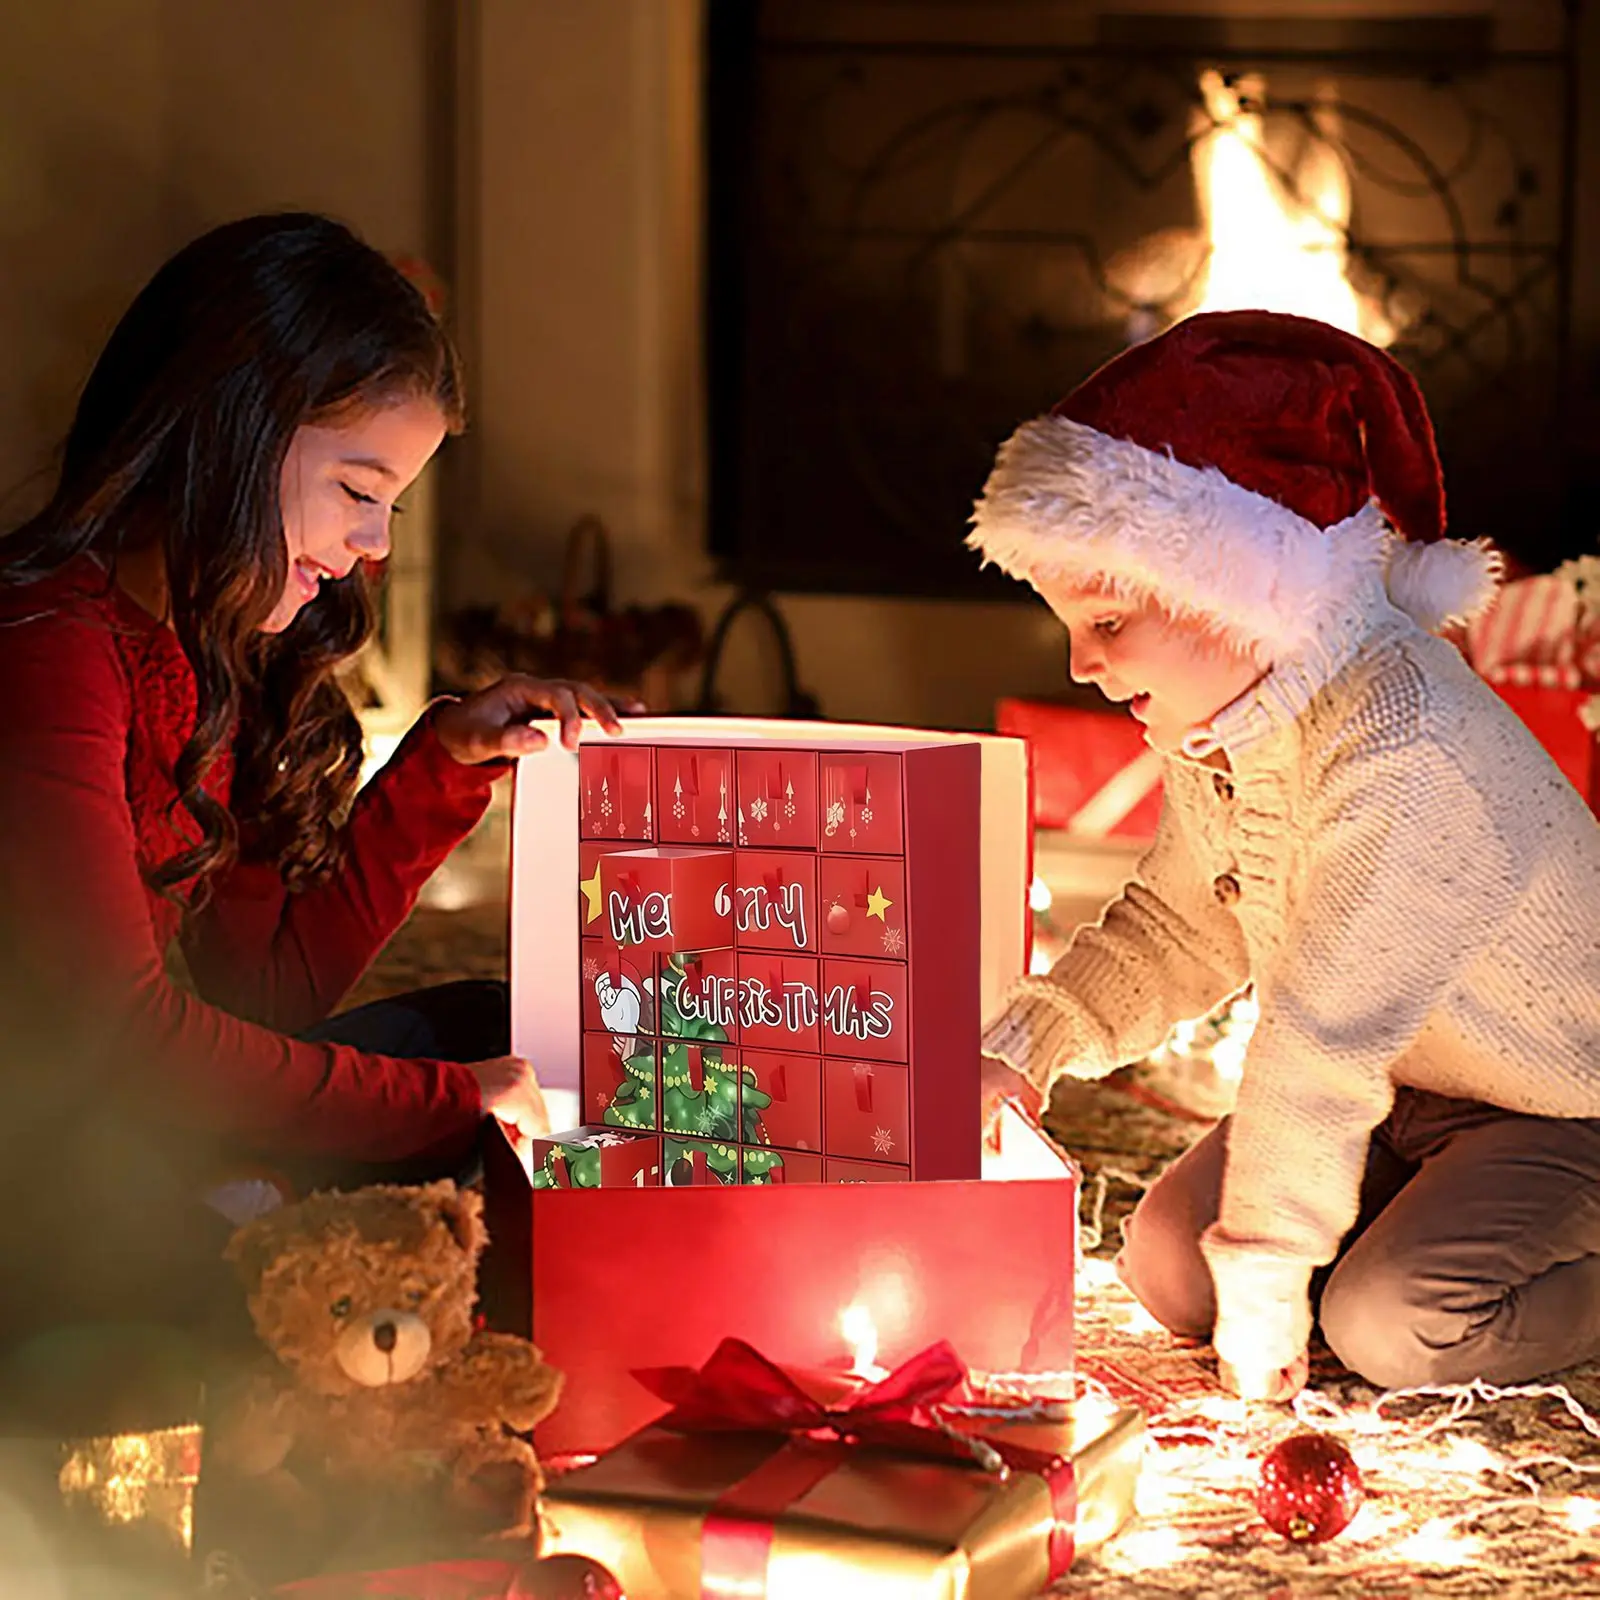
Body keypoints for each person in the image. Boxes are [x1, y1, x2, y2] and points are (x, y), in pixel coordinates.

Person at [0, 213, 624, 1339]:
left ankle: (269, 1229)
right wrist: (452, 1102)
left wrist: (439, 769)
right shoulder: (52, 646)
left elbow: (265, 1005)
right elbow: (127, 1043)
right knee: (463, 1118)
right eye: (357, 488)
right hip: (45, 1171)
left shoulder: (210, 649)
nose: (376, 542)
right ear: (230, 432)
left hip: (139, 1125)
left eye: (393, 503)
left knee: (501, 1033)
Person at [970, 310, 1600, 1404]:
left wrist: (1269, 1277)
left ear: (1238, 591)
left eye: (1108, 621)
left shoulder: (1403, 739)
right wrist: (1029, 1047)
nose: (1079, 662)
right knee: (1167, 1262)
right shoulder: (1225, 721)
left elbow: (1323, 1033)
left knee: (1387, 1323)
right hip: (1410, 1086)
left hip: (1556, 1102)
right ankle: (1374, 1232)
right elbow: (1175, 925)